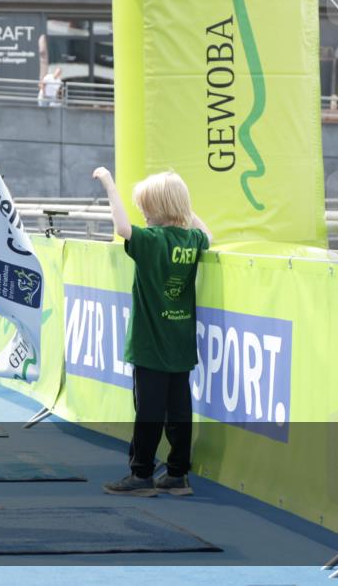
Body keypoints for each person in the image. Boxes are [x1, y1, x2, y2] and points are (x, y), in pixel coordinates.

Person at [92, 167, 212, 497]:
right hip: (180, 344)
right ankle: (177, 474)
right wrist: (186, 211)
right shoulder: (192, 240)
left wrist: (109, 184)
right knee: (179, 411)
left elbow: (121, 227)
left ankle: (141, 473)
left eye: (145, 207)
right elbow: (209, 235)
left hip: (149, 345)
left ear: (156, 209)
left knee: (147, 411)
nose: (142, 214)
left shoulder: (150, 241)